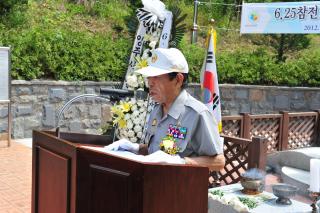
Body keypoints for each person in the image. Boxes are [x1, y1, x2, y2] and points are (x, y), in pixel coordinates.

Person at [106, 48, 225, 171]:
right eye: (149, 77)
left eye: (156, 76)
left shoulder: (197, 114)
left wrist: (181, 162)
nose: (150, 83)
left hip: (180, 187)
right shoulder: (157, 110)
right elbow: (159, 152)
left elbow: (219, 162)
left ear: (178, 80)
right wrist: (136, 148)